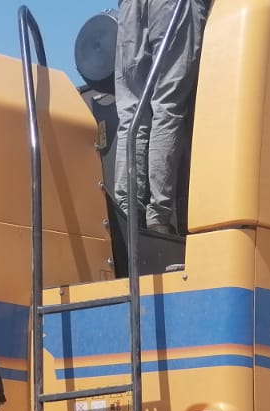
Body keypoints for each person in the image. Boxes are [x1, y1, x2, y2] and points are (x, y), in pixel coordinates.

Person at [114, 0, 212, 235]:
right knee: (167, 104)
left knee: (131, 111)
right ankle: (158, 217)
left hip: (129, 7)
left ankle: (126, 213)